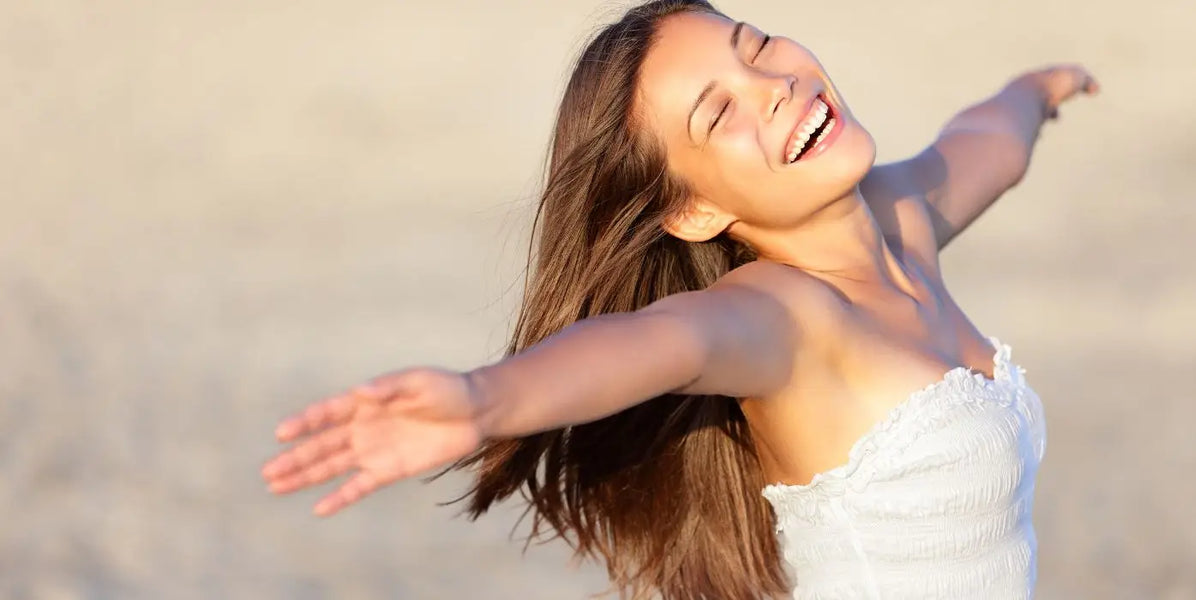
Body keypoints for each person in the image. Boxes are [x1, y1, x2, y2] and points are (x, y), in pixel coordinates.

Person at [260, 1, 1098, 597]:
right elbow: (658, 342)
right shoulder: (782, 316)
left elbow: (988, 145)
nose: (772, 83)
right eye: (718, 112)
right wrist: (486, 398)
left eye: (755, 45)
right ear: (694, 210)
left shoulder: (903, 217)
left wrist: (1040, 88)